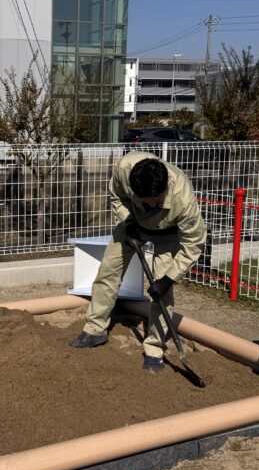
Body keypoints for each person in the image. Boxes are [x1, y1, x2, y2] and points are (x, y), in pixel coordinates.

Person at [70, 152, 206, 373]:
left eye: (156, 199)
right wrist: (127, 220)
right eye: (145, 199)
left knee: (161, 295)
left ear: (165, 188)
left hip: (168, 234)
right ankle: (95, 329)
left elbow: (194, 243)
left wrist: (168, 279)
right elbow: (116, 195)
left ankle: (154, 349)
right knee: (108, 273)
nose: (151, 203)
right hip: (133, 224)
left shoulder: (183, 198)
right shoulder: (125, 169)